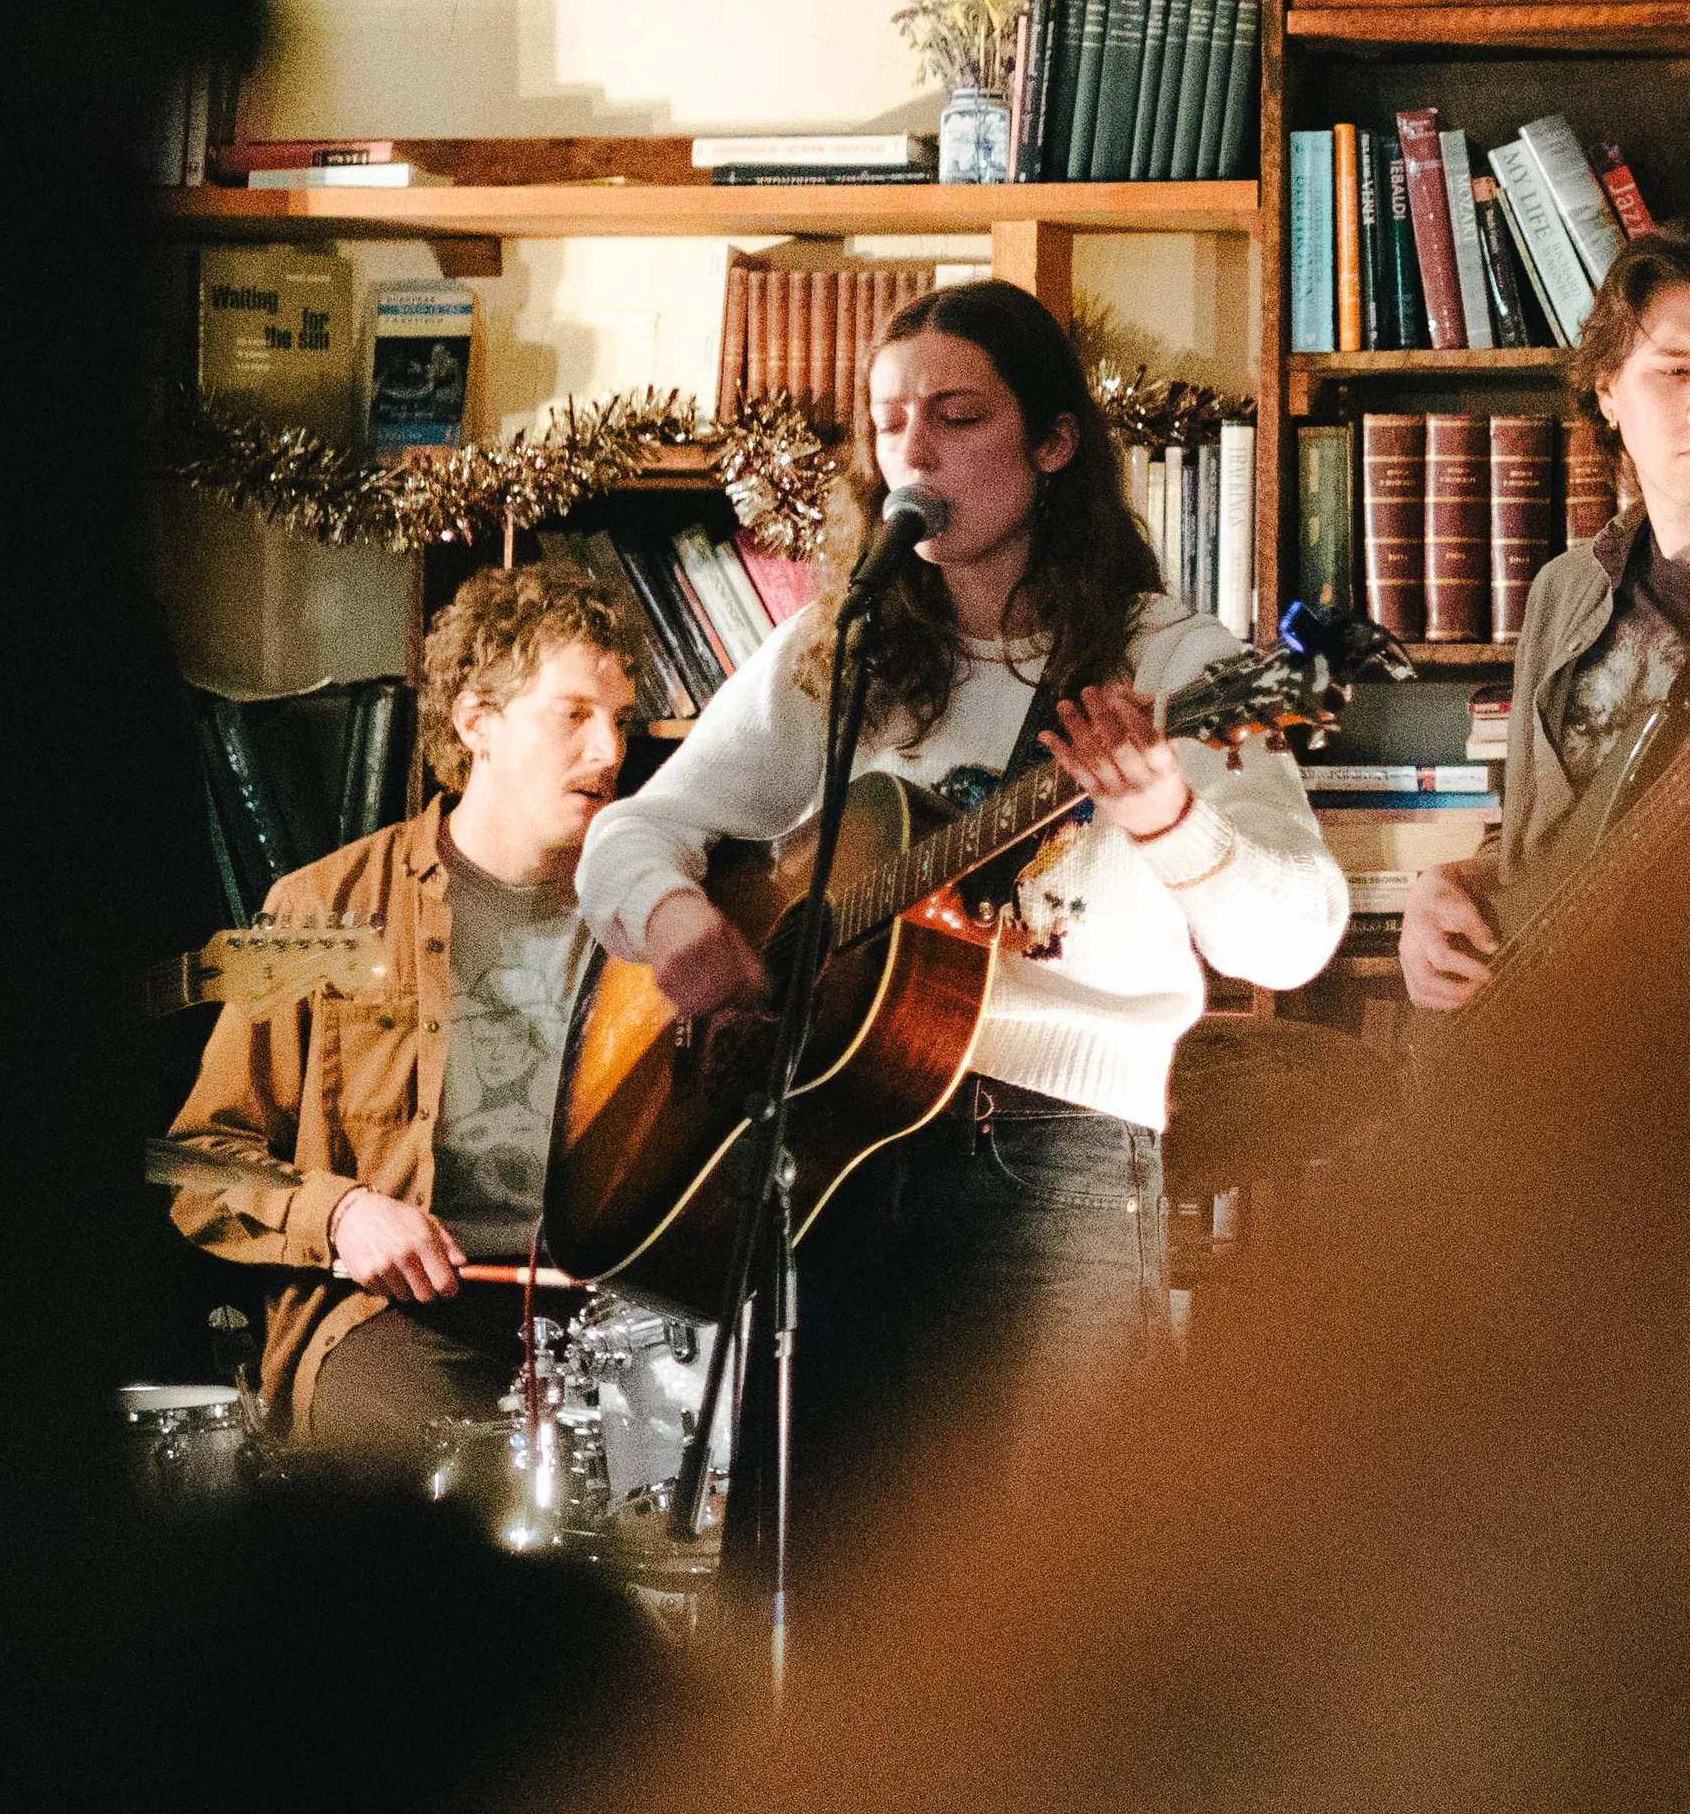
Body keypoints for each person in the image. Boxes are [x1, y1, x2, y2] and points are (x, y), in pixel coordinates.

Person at [576, 278, 1349, 1547]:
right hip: (834, 1157)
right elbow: (630, 832)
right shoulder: (843, 653)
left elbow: (1295, 934)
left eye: (955, 416)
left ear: (1053, 445)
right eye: (888, 424)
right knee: (823, 1584)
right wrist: (680, 927)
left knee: (1046, 1608)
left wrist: (1166, 819)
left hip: (1056, 1162)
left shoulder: (1175, 667)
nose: (913, 454)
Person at [165, 569, 637, 1458]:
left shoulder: (654, 918)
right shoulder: (321, 908)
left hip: (621, 1322)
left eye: (621, 720)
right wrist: (342, 1214)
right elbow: (199, 1165)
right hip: (407, 1319)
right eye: (573, 714)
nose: (610, 750)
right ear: (475, 722)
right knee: (418, 1473)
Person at [1401, 218, 1690, 1015]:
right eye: (1674, 371)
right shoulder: (1564, 591)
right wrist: (1445, 885)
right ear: (1607, 392)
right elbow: (1543, 848)